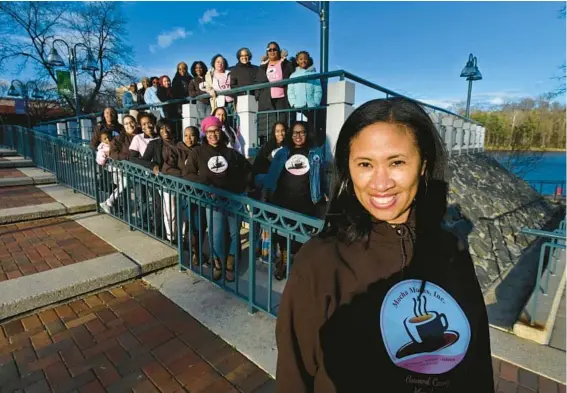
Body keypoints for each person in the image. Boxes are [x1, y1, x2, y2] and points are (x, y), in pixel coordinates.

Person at [275, 98, 493, 393]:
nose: (380, 183)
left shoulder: (450, 251)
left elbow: (478, 360)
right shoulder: (321, 260)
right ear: (348, 170)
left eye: (397, 162)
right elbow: (294, 375)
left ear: (423, 165)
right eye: (365, 164)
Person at [182, 116, 252, 282]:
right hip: (212, 200)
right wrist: (207, 184)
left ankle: (230, 263)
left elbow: (247, 169)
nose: (213, 134)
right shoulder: (197, 152)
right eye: (209, 131)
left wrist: (243, 187)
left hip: (233, 199)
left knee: (235, 233)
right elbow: (188, 174)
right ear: (205, 133)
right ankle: (218, 263)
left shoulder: (230, 152)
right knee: (216, 234)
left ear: (221, 131)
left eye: (216, 130)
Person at [262, 121, 326, 280]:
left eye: (302, 132)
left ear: (307, 134)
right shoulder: (282, 152)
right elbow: (271, 175)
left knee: (300, 235)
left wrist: (323, 195)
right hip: (282, 199)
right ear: (290, 135)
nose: (298, 136)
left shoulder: (315, 153)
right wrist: (266, 193)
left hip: (305, 200)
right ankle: (283, 261)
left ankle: (295, 263)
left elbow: (320, 176)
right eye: (295, 133)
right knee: (282, 235)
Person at [100, 115, 140, 215]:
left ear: (135, 122)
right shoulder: (120, 138)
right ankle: (110, 202)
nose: (129, 125)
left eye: (131, 122)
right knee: (126, 184)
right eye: (126, 123)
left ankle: (110, 202)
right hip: (123, 168)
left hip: (139, 169)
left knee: (130, 187)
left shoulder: (142, 135)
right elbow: (113, 153)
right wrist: (127, 158)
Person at [255, 41, 294, 141]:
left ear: (279, 51)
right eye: (269, 50)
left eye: (274, 49)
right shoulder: (263, 66)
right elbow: (258, 81)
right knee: (268, 126)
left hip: (282, 99)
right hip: (266, 100)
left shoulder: (286, 64)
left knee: (283, 125)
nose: (272, 52)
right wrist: (257, 95)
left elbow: (292, 77)